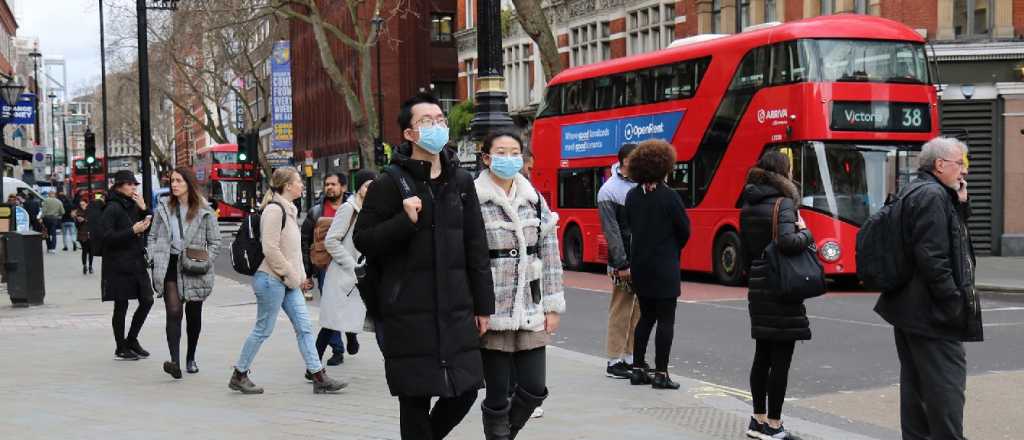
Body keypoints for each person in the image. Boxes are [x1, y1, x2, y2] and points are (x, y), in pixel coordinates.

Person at [353, 93, 494, 440]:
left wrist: (483, 306)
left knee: (465, 391)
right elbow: (364, 239)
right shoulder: (390, 183)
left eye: (440, 120)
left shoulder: (460, 181)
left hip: (456, 306)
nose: (437, 126)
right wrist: (404, 220)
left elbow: (475, 244)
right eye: (426, 121)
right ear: (409, 134)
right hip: (407, 308)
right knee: (414, 398)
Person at [874, 137, 982, 440]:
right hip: (932, 312)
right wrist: (953, 302)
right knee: (946, 389)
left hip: (909, 308)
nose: (964, 171)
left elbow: (945, 238)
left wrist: (960, 205)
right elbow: (933, 257)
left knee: (916, 389)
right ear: (939, 164)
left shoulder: (915, 190)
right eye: (960, 163)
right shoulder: (933, 196)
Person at [473, 131, 565, 439]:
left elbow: (550, 255)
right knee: (497, 394)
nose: (509, 158)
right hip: (492, 310)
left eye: (515, 152)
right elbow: (465, 259)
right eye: (501, 151)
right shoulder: (472, 198)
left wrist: (552, 305)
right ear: (486, 157)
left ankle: (503, 436)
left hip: (530, 306)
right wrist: (475, 306)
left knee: (534, 388)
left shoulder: (534, 199)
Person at [229, 167, 347, 395]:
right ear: (287, 185)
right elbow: (270, 249)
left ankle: (318, 376)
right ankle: (239, 374)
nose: (302, 185)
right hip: (271, 280)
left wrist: (300, 277)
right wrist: (292, 276)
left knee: (304, 328)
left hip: (287, 282)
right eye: (298, 181)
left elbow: (292, 251)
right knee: (263, 329)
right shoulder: (274, 210)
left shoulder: (289, 210)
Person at [738, 151, 815, 439]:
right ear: (783, 173)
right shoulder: (783, 204)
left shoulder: (747, 203)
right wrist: (807, 234)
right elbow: (787, 242)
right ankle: (773, 425)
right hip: (780, 284)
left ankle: (756, 421)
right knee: (781, 358)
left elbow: (746, 248)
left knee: (762, 354)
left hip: (758, 283)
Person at [624, 139, 690, 391]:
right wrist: (671, 248)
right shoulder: (670, 196)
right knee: (666, 320)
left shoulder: (632, 196)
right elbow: (684, 230)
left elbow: (629, 225)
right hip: (665, 265)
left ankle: (638, 368)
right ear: (664, 166)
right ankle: (661, 372)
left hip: (641, 265)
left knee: (645, 317)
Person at [148, 167, 221, 379]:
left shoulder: (204, 210)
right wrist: (153, 256)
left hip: (194, 264)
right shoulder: (163, 207)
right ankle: (175, 362)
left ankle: (191, 357)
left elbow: (215, 242)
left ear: (189, 183)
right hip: (169, 264)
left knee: (194, 315)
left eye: (179, 181)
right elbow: (152, 237)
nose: (174, 185)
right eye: (172, 181)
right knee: (173, 311)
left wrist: (207, 259)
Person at [316, 170, 377, 367]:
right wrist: (353, 265)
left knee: (353, 315)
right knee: (331, 323)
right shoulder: (348, 209)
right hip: (343, 274)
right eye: (367, 185)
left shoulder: (373, 209)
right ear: (359, 188)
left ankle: (351, 338)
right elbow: (331, 242)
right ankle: (313, 366)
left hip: (361, 276)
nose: (371, 189)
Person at [100, 171, 155, 361]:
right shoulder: (112, 208)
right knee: (121, 305)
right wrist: (132, 231)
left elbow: (151, 226)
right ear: (119, 186)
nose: (134, 188)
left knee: (147, 299)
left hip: (136, 261)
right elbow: (106, 238)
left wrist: (145, 209)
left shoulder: (134, 205)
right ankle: (120, 347)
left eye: (135, 184)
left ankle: (131, 339)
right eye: (130, 184)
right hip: (118, 263)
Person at [597, 142, 641, 379]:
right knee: (621, 309)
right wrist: (622, 263)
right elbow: (612, 232)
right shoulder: (609, 190)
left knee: (638, 312)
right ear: (624, 161)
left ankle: (631, 357)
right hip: (622, 262)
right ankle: (614, 360)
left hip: (641, 259)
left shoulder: (642, 184)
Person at [300, 172, 349, 363]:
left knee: (350, 306)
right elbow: (305, 243)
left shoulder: (353, 209)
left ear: (343, 187)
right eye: (327, 184)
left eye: (333, 184)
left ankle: (352, 336)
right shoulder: (315, 212)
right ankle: (337, 349)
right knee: (330, 309)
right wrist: (307, 273)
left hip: (349, 268)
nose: (329, 187)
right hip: (325, 269)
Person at [72, 198, 95, 274]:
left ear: (87, 204)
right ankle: (84, 266)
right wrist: (77, 221)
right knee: (84, 251)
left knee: (91, 251)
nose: (82, 206)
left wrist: (84, 220)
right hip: (82, 234)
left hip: (91, 233)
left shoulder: (91, 211)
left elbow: (94, 221)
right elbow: (76, 226)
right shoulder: (78, 212)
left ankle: (90, 266)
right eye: (81, 205)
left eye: (83, 204)